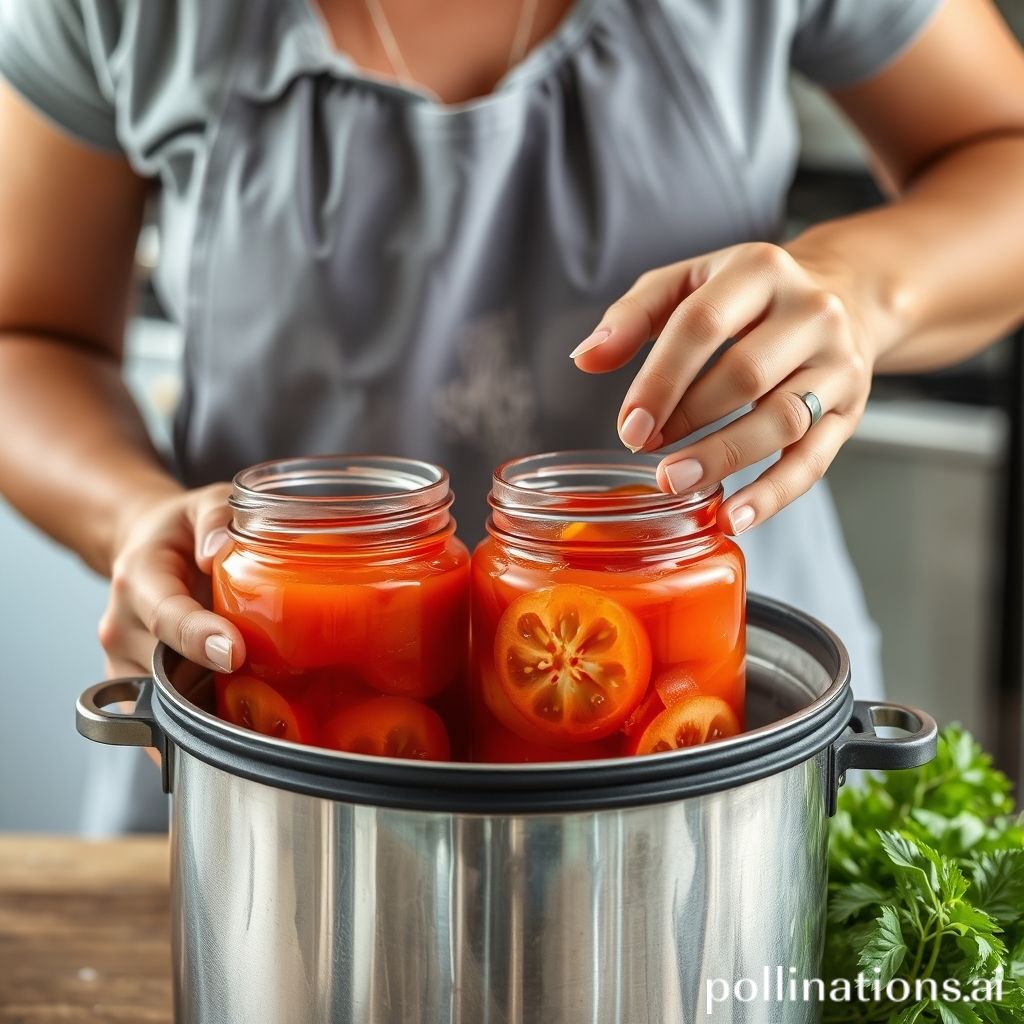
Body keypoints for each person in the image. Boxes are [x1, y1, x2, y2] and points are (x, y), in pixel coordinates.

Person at [1, 0, 1023, 832]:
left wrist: (856, 285)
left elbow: (1001, 151)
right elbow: (28, 334)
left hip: (714, 743)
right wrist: (130, 512)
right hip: (278, 759)